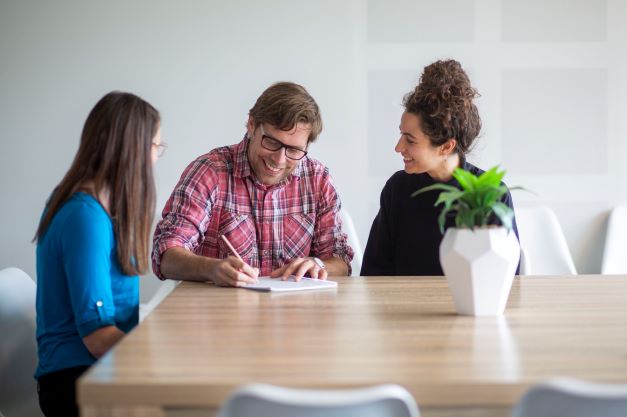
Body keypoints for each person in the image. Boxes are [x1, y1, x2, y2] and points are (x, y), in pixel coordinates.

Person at [33, 91, 163, 417]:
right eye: (155, 147)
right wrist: (162, 357)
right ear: (132, 150)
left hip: (97, 368)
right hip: (77, 382)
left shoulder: (97, 207)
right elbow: (98, 337)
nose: (157, 157)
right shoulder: (85, 218)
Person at [152, 82, 353, 286]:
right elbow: (166, 256)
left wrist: (318, 264)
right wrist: (211, 269)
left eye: (293, 150)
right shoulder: (210, 171)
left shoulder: (318, 180)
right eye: (272, 143)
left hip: (295, 313)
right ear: (251, 125)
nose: (279, 160)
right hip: (221, 312)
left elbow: (341, 262)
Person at [361, 59, 519, 276]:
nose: (398, 147)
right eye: (401, 135)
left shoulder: (491, 195)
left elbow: (506, 279)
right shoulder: (398, 189)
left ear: (446, 146)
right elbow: (373, 274)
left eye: (410, 140)